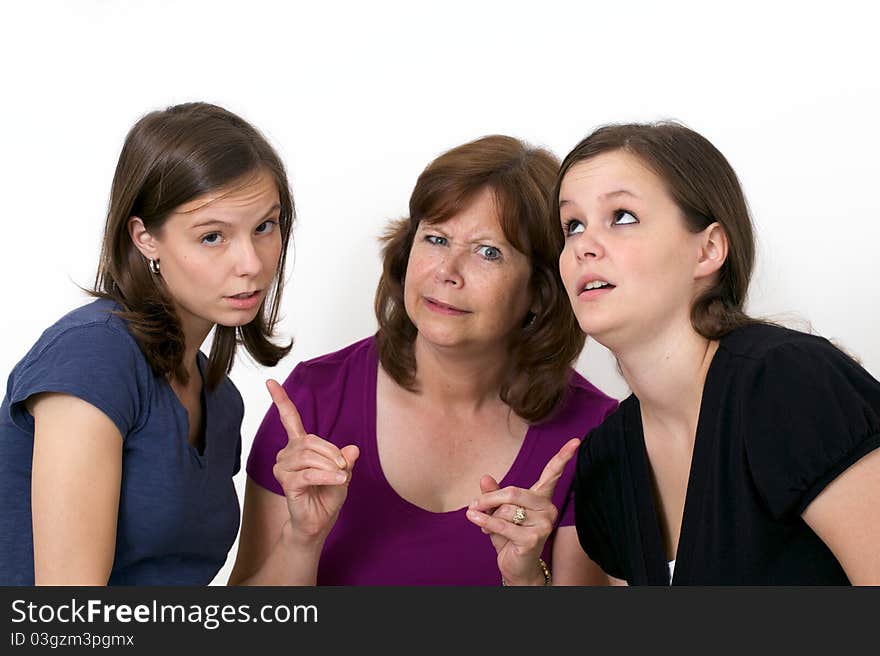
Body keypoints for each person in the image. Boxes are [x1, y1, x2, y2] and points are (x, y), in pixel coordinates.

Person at [229, 135, 618, 585]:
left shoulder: (593, 434)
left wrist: (529, 580)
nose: (446, 272)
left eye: (488, 251)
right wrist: (302, 538)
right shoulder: (313, 399)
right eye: (436, 239)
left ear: (540, 289)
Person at [553, 122, 880, 585]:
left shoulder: (786, 385)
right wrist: (528, 581)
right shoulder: (607, 459)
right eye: (572, 225)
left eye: (622, 216)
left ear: (708, 250)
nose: (584, 245)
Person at [0, 102, 295, 585]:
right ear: (144, 238)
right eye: (213, 236)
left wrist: (302, 533)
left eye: (265, 226)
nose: (251, 263)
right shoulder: (94, 357)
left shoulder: (222, 402)